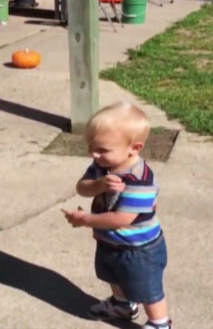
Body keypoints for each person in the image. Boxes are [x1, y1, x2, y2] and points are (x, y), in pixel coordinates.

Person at [62, 101, 172, 329]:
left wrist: (85, 220)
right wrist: (99, 185)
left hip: (139, 249)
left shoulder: (140, 181)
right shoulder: (102, 167)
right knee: (112, 275)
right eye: (91, 146)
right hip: (110, 241)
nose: (94, 154)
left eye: (102, 149)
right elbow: (82, 188)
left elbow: (121, 219)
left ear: (134, 148)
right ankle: (123, 305)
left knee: (147, 289)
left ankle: (160, 323)